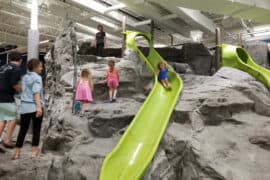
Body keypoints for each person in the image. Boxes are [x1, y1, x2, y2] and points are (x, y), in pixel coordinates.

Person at [13, 59, 44, 160]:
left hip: (24, 107)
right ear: (35, 67)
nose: (41, 68)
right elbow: (36, 93)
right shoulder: (38, 78)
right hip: (35, 107)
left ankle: (17, 153)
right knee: (36, 130)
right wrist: (39, 108)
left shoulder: (25, 77)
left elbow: (22, 90)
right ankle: (34, 153)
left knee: (22, 130)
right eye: (40, 66)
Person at [0, 51, 22, 150]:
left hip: (1, 94)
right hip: (6, 95)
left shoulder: (3, 67)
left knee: (3, 119)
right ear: (20, 60)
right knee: (12, 119)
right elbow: (14, 83)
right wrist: (22, 91)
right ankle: (7, 141)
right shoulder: (16, 69)